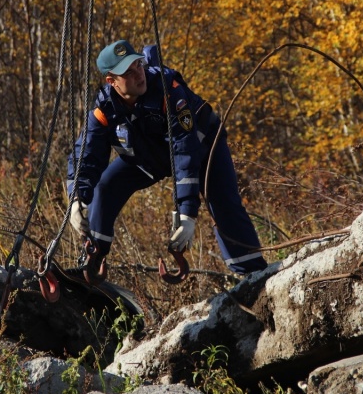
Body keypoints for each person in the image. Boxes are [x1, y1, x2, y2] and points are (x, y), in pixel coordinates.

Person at [67, 39, 267, 275]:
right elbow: (86, 155)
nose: (139, 75)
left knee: (222, 203)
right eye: (128, 73)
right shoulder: (103, 111)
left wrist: (186, 213)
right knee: (105, 187)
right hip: (151, 158)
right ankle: (92, 262)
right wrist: (77, 199)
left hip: (202, 145)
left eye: (138, 66)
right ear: (112, 81)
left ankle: (253, 274)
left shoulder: (168, 90)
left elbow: (185, 151)